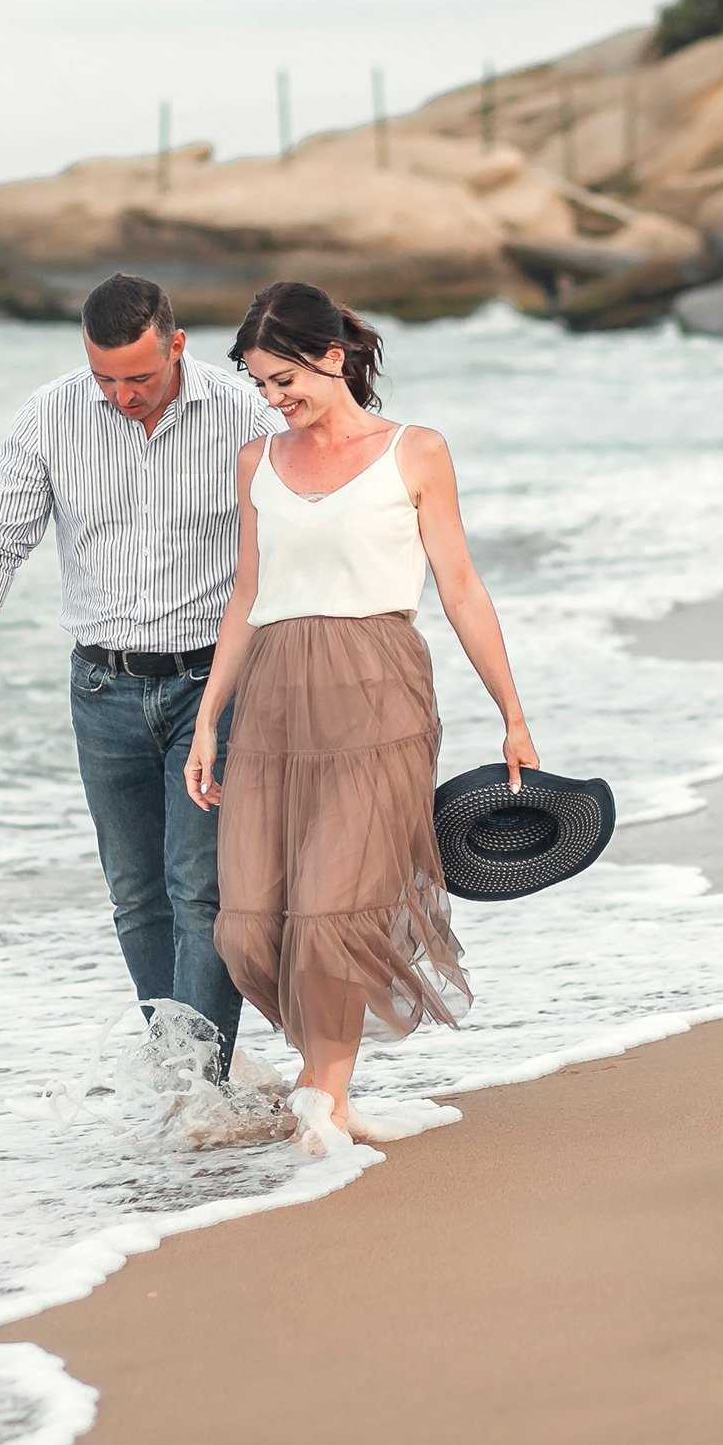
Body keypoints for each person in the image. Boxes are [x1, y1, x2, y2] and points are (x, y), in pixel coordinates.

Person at [183, 281, 537, 1153]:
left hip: (379, 689)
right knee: (250, 923)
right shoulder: (257, 463)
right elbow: (248, 592)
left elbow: (458, 583)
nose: (272, 399)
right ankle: (327, 1090)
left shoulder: (415, 451)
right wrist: (207, 718)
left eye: (283, 379)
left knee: (336, 910)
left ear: (333, 358)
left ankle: (323, 1100)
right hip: (271, 697)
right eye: (260, 384)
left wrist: (512, 713)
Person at [0, 273, 282, 1075]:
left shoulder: (247, 416)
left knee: (201, 891)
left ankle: (201, 1083)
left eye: (139, 376)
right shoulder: (51, 415)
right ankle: (180, 1072)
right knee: (137, 894)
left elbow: (297, 537)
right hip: (102, 690)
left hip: (214, 687)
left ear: (177, 346)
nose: (122, 395)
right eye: (105, 377)